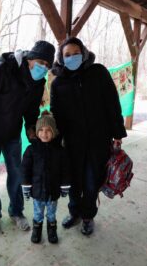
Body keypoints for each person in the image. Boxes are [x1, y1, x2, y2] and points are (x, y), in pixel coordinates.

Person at [0, 40, 55, 237]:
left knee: (17, 172)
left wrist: (32, 130)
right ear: (29, 59)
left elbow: (31, 110)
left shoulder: (38, 82)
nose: (44, 67)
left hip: (12, 135)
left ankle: (16, 211)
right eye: (41, 62)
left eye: (48, 65)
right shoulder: (1, 70)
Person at [50, 37, 127, 235]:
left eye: (76, 53)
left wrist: (117, 132)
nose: (72, 57)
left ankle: (87, 216)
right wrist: (55, 142)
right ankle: (74, 212)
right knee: (74, 181)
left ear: (83, 54)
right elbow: (56, 113)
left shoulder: (98, 73)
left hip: (98, 140)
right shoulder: (58, 83)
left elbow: (112, 103)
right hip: (72, 143)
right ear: (61, 58)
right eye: (67, 55)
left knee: (92, 181)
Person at [21, 111, 71, 244]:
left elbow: (65, 170)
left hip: (53, 192)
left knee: (51, 214)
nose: (44, 133)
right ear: (37, 132)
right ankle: (36, 231)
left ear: (54, 132)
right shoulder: (31, 150)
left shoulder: (60, 151)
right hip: (37, 192)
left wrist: (65, 186)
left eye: (48, 130)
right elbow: (25, 169)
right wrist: (26, 187)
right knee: (37, 214)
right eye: (41, 130)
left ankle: (52, 231)